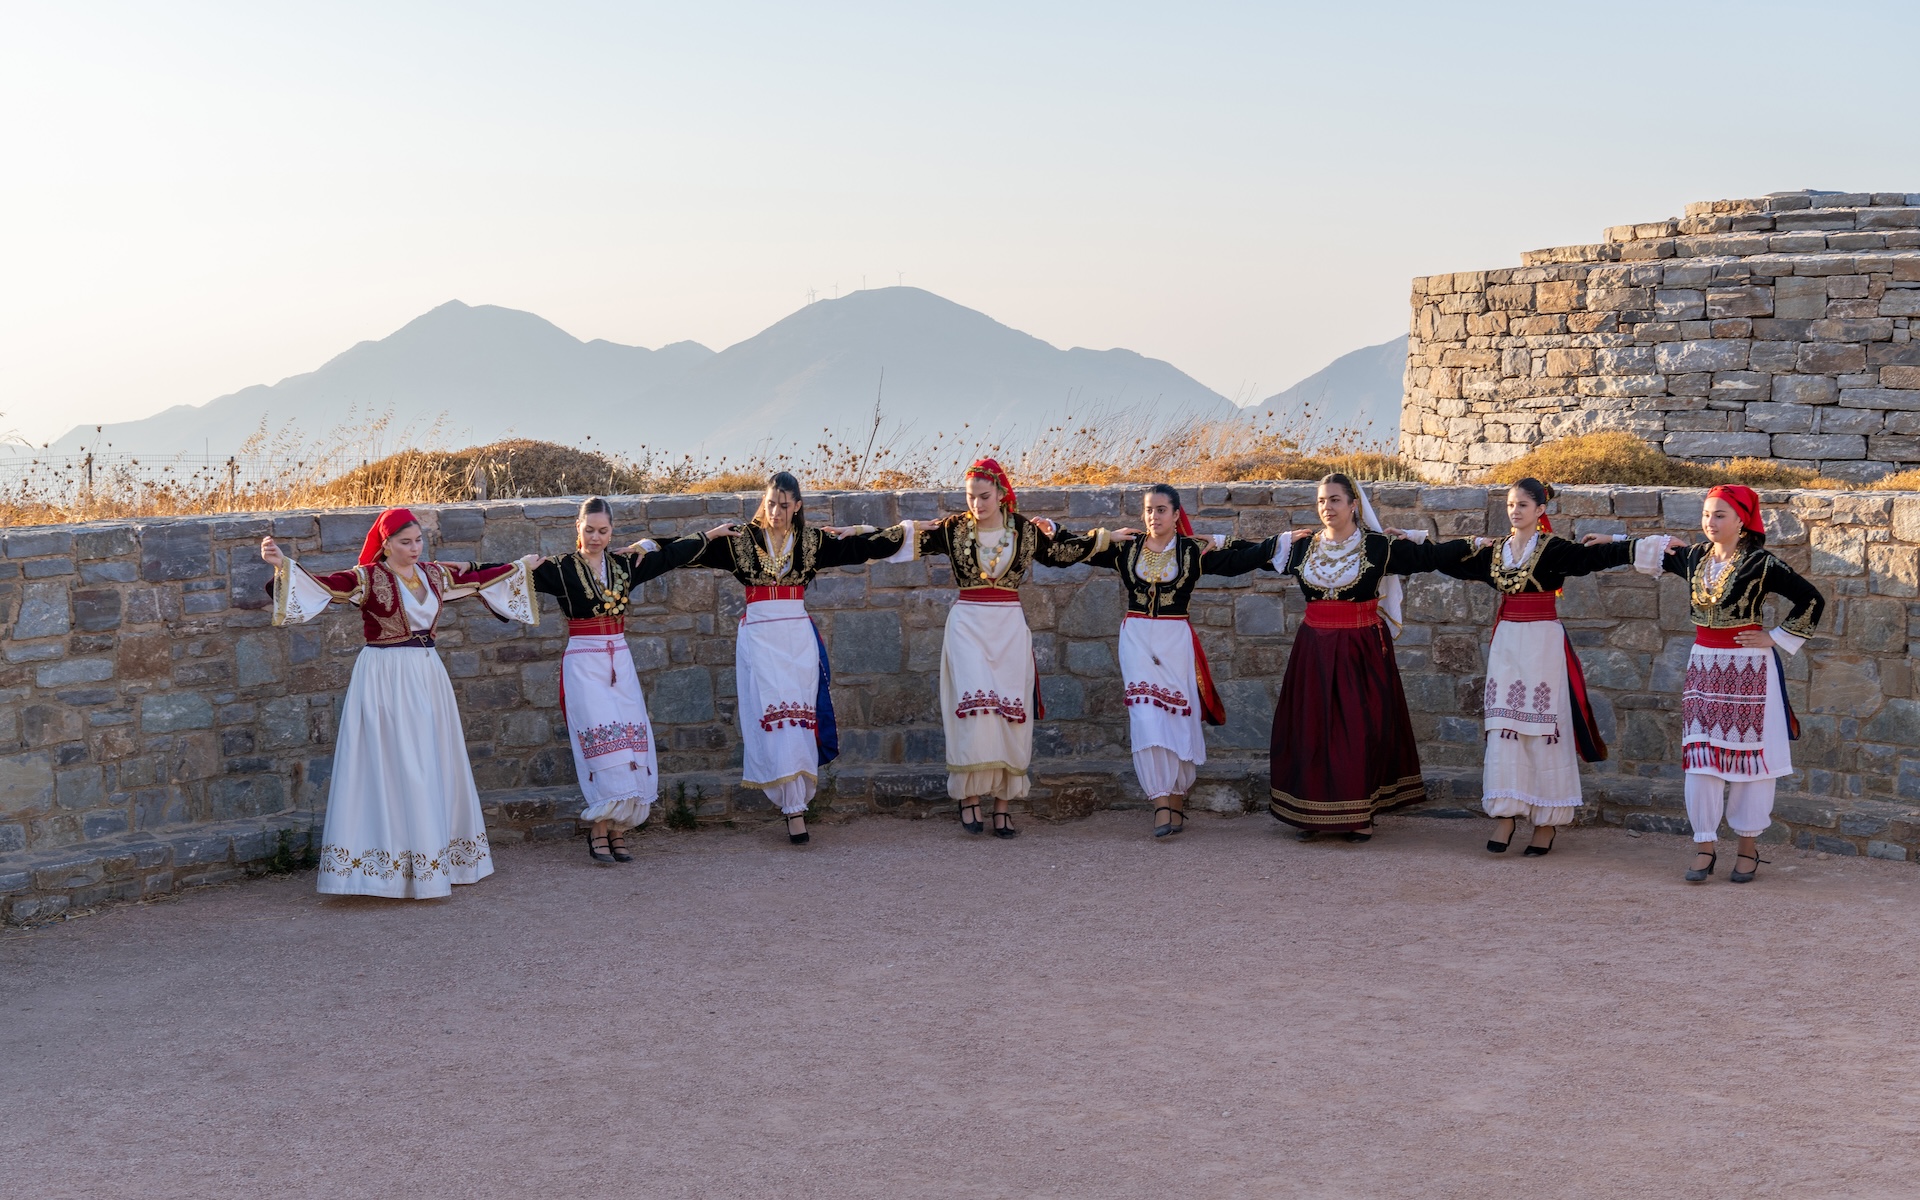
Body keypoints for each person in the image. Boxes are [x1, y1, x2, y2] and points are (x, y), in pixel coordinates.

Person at [259, 508, 542, 898]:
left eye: (418, 541)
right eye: (405, 542)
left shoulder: (435, 574)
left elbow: (477, 578)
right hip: (384, 675)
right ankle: (388, 870)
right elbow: (323, 586)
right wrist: (283, 564)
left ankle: (438, 861)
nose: (414, 548)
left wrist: (519, 566)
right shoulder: (367, 578)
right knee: (395, 763)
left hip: (428, 673)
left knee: (432, 757)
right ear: (386, 543)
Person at [882, 458, 1107, 838]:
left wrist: (1105, 539)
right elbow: (905, 540)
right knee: (973, 710)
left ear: (1002, 494)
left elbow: (1061, 552)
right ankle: (969, 797)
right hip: (968, 624)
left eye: (984, 496)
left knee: (1009, 714)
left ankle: (1003, 805)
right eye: (970, 496)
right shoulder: (955, 529)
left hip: (1008, 628)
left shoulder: (1023, 530)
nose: (977, 504)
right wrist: (853, 535)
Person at [676, 471, 903, 844]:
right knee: (775, 717)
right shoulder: (741, 540)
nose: (776, 512)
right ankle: (789, 805)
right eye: (770, 504)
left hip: (797, 638)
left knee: (799, 719)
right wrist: (669, 545)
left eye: (783, 505)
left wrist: (887, 530)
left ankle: (797, 807)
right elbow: (683, 554)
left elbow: (864, 548)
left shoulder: (811, 542)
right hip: (761, 638)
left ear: (797, 506)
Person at [519, 497, 739, 864]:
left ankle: (618, 830)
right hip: (584, 664)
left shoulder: (624, 564)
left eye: (603, 531)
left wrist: (711, 534)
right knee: (605, 747)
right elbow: (500, 576)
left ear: (612, 531)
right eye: (589, 529)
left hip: (619, 660)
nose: (595, 537)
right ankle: (598, 830)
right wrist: (512, 568)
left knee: (630, 746)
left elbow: (671, 555)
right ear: (578, 526)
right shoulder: (560, 568)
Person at [1438, 478, 1640, 856]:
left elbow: (1591, 559)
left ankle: (1546, 822)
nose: (1515, 511)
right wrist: (1416, 540)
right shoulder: (1496, 552)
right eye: (1511, 505)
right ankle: (1505, 815)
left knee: (1546, 727)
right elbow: (1445, 560)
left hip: (1542, 643)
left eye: (1523, 505)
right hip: (1507, 644)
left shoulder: (1553, 549)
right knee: (1504, 725)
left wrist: (1619, 542)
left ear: (1541, 510)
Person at [1266, 473, 1471, 841]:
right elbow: (1243, 556)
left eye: (1334, 500)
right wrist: (1211, 542)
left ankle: (1359, 814)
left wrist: (1478, 544)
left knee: (1358, 729)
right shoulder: (1300, 547)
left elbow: (1433, 557)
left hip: (1360, 648)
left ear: (1353, 505)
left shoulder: (1378, 546)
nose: (1327, 508)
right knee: (1311, 726)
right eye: (1321, 501)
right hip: (1313, 649)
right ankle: (1312, 813)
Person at [1635, 485, 1824, 883]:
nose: (1710, 522)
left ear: (1742, 520)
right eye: (1707, 515)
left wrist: (1775, 637)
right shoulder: (1694, 558)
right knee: (1702, 759)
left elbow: (1811, 600)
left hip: (1749, 669)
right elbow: (1649, 550)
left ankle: (1748, 849)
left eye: (1720, 515)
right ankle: (1704, 846)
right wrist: (1611, 542)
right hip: (1704, 667)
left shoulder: (1760, 562)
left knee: (1750, 761)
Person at [1081, 484, 1277, 837]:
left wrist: (1281, 543)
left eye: (1160, 510)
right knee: (1146, 717)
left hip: (1175, 640)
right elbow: (1076, 549)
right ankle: (1160, 801)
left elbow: (1238, 560)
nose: (1152, 517)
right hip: (1137, 639)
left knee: (1176, 717)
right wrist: (1103, 535)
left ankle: (1176, 797)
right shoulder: (1126, 547)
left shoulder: (1191, 550)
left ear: (1175, 514)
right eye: (1148, 510)